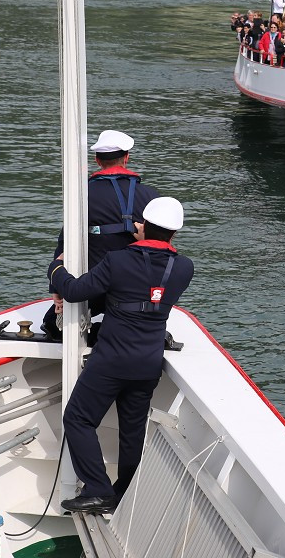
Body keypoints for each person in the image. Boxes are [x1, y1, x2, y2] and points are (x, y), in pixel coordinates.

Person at [52, 197, 195, 515]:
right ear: (175, 233)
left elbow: (75, 291)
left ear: (142, 225)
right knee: (133, 431)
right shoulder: (184, 268)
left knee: (78, 418)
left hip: (112, 359)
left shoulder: (118, 260)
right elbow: (151, 286)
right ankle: (125, 493)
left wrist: (56, 270)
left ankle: (99, 490)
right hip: (148, 363)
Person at [41, 130, 160, 339]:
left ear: (97, 160)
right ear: (127, 158)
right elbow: (160, 245)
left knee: (51, 324)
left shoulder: (81, 195)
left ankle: (94, 336)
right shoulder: (151, 196)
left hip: (92, 287)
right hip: (133, 290)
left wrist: (56, 285)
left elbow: (64, 243)